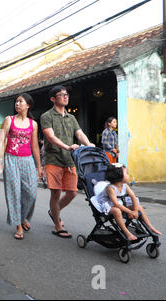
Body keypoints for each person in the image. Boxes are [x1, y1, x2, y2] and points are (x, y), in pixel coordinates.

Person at [40, 85, 95, 239]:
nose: (65, 96)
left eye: (66, 94)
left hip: (69, 160)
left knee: (72, 192)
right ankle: (58, 225)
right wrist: (67, 146)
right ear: (53, 99)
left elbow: (79, 133)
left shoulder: (71, 117)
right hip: (53, 159)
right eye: (61, 95)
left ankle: (53, 212)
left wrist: (89, 144)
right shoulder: (47, 116)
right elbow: (50, 136)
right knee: (56, 193)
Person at [0, 93, 43, 240]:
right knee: (14, 192)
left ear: (28, 105)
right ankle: (18, 225)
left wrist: (39, 166)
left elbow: (34, 145)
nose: (17, 104)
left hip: (27, 160)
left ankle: (23, 217)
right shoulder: (9, 120)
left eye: (20, 101)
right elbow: (1, 139)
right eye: (16, 102)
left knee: (31, 193)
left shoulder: (33, 124)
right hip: (11, 160)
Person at [90, 163, 161, 240]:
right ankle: (126, 233)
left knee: (139, 207)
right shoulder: (111, 188)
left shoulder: (125, 185)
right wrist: (130, 212)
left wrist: (136, 210)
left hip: (120, 202)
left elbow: (133, 196)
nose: (128, 175)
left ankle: (150, 227)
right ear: (118, 176)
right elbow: (115, 204)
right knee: (117, 211)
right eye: (126, 173)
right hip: (107, 204)